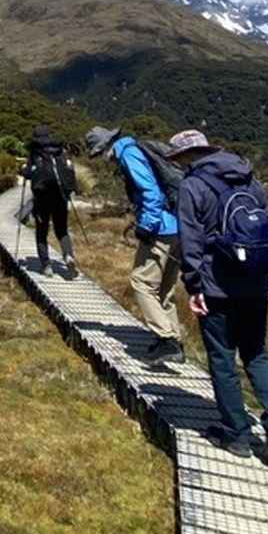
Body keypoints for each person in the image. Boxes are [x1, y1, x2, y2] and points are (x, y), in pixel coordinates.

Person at [169, 128, 268, 462]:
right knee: (257, 353)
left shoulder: (192, 186)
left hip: (217, 284)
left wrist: (194, 286)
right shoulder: (250, 180)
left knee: (222, 357)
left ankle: (237, 434)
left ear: (187, 157)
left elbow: (190, 240)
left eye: (178, 159)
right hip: (255, 280)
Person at [85, 126, 184, 363]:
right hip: (178, 225)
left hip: (160, 228)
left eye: (99, 154)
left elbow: (151, 193)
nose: (103, 160)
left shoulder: (129, 155)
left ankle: (167, 339)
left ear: (106, 147)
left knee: (141, 282)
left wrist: (146, 226)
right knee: (164, 288)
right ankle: (174, 341)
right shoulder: (139, 148)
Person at [22, 125, 78, 278]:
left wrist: (23, 170)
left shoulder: (35, 151)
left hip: (42, 198)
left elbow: (28, 173)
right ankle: (68, 255)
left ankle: (46, 266)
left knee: (42, 231)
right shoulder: (59, 149)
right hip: (60, 197)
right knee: (62, 230)